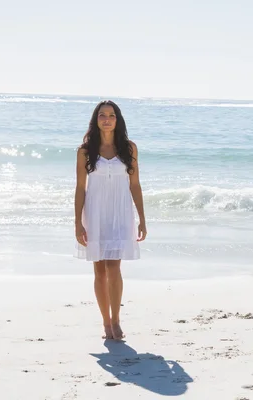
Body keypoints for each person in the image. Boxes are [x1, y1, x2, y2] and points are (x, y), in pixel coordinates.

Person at [74, 100, 147, 340]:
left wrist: (142, 218)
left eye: (112, 115)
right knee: (100, 271)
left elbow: (135, 185)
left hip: (120, 213)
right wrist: (78, 222)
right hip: (94, 213)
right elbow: (80, 188)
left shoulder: (129, 148)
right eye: (102, 115)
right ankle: (105, 322)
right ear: (96, 120)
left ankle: (116, 320)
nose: (107, 119)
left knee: (114, 267)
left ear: (118, 120)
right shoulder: (85, 151)